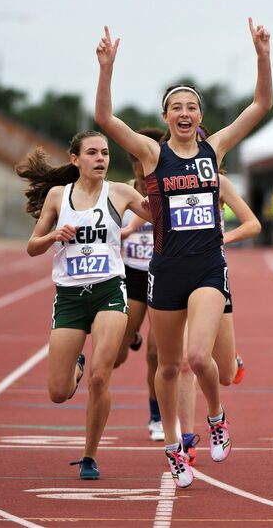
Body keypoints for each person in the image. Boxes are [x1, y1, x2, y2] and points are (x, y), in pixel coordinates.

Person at [94, 18, 272, 488]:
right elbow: (106, 121)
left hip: (208, 268)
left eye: (192, 105)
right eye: (176, 106)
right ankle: (174, 447)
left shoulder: (215, 149)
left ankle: (217, 416)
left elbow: (260, 104)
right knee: (167, 366)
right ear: (167, 116)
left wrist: (262, 56)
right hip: (166, 270)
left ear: (200, 115)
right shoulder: (153, 156)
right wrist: (107, 69)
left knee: (198, 358)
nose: (185, 112)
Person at [16, 130, 152, 481]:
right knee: (58, 393)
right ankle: (74, 363)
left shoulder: (120, 192)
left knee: (100, 376)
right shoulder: (59, 197)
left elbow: (158, 216)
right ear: (75, 159)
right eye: (92, 153)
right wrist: (52, 236)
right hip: (69, 298)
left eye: (105, 153)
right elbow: (32, 246)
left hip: (109, 290)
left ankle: (90, 455)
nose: (101, 159)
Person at [177, 134, 261, 466]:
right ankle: (186, 439)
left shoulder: (218, 182)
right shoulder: (165, 180)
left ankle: (233, 362)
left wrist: (222, 237)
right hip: (176, 279)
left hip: (211, 278)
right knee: (187, 361)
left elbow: (253, 224)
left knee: (224, 373)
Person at [111, 127, 164, 442]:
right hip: (130, 275)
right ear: (133, 165)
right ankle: (130, 337)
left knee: (157, 354)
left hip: (161, 275)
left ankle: (156, 417)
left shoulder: (166, 189)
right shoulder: (121, 192)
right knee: (115, 356)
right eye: (138, 163)